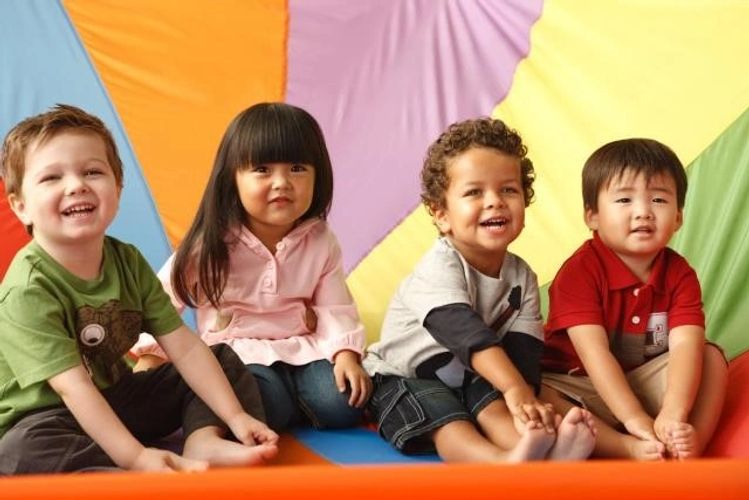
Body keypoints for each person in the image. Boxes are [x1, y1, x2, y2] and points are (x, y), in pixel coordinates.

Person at [0, 104, 278, 475]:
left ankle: (204, 440)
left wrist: (235, 416)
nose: (76, 185)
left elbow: (183, 346)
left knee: (221, 358)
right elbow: (73, 388)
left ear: (118, 188)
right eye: (51, 178)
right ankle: (121, 470)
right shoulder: (27, 290)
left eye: (92, 172)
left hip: (116, 399)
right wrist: (137, 458)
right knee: (19, 451)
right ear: (21, 206)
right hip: (48, 417)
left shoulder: (126, 260)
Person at [363, 117, 596, 463]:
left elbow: (523, 352)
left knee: (495, 404)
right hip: (405, 377)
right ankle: (500, 462)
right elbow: (467, 334)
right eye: (474, 192)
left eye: (508, 190)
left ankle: (537, 449)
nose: (495, 202)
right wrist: (514, 387)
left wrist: (526, 402)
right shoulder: (439, 267)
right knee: (447, 420)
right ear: (442, 215)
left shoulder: (522, 276)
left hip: (474, 375)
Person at [133, 102, 371, 432]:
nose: (282, 182)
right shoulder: (211, 242)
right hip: (238, 354)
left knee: (343, 405)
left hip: (304, 348)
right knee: (261, 401)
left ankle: (297, 401)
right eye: (262, 169)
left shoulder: (320, 239)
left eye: (297, 168)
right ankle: (284, 403)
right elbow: (160, 301)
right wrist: (151, 357)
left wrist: (345, 354)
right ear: (232, 178)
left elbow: (334, 306)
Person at [541, 138, 728, 460]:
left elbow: (685, 345)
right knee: (537, 391)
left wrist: (673, 413)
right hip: (581, 385)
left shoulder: (680, 273)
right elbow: (595, 354)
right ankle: (626, 446)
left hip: (644, 381)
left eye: (658, 199)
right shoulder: (579, 272)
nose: (643, 212)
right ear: (592, 216)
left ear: (678, 217)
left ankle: (687, 444)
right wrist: (635, 419)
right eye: (624, 199)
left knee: (710, 357)